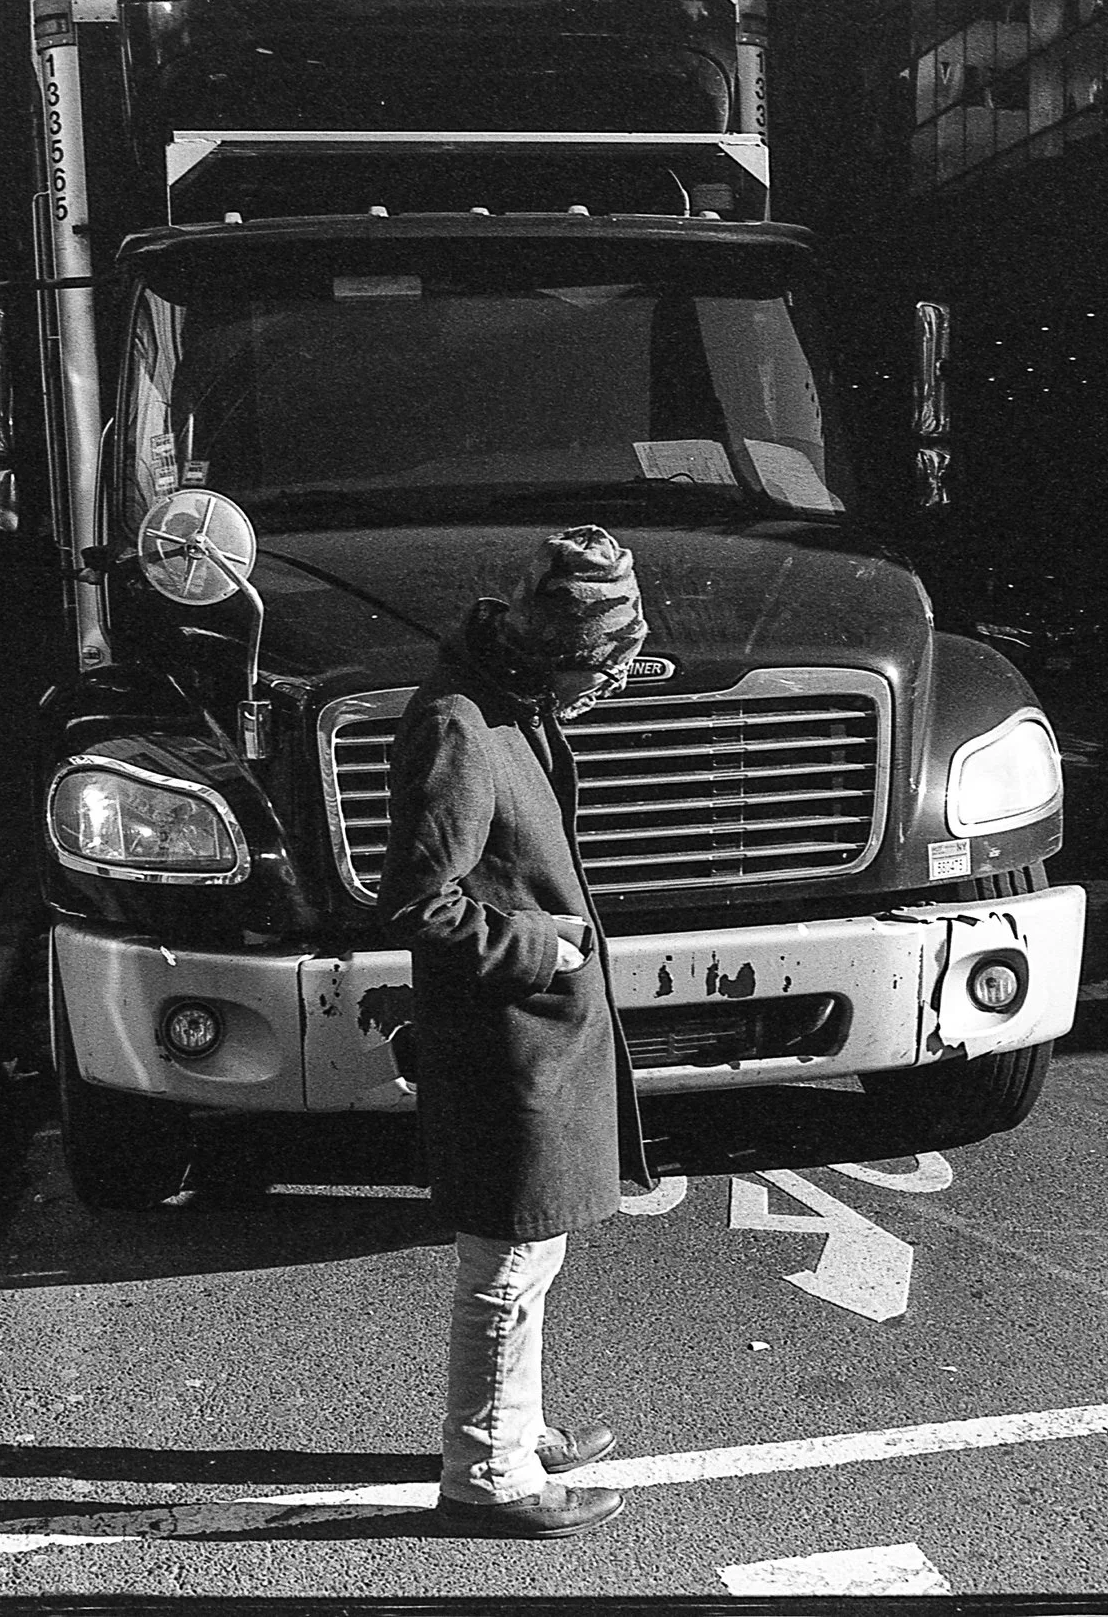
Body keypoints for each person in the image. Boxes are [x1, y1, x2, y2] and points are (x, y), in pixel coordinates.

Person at [379, 525, 651, 1540]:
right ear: (545, 647)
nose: (608, 685)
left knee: (528, 1254)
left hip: (531, 1039)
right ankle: (486, 1473)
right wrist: (545, 947)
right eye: (598, 666)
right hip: (504, 1043)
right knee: (503, 1264)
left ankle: (515, 1427)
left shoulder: (508, 699)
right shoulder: (460, 723)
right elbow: (416, 903)